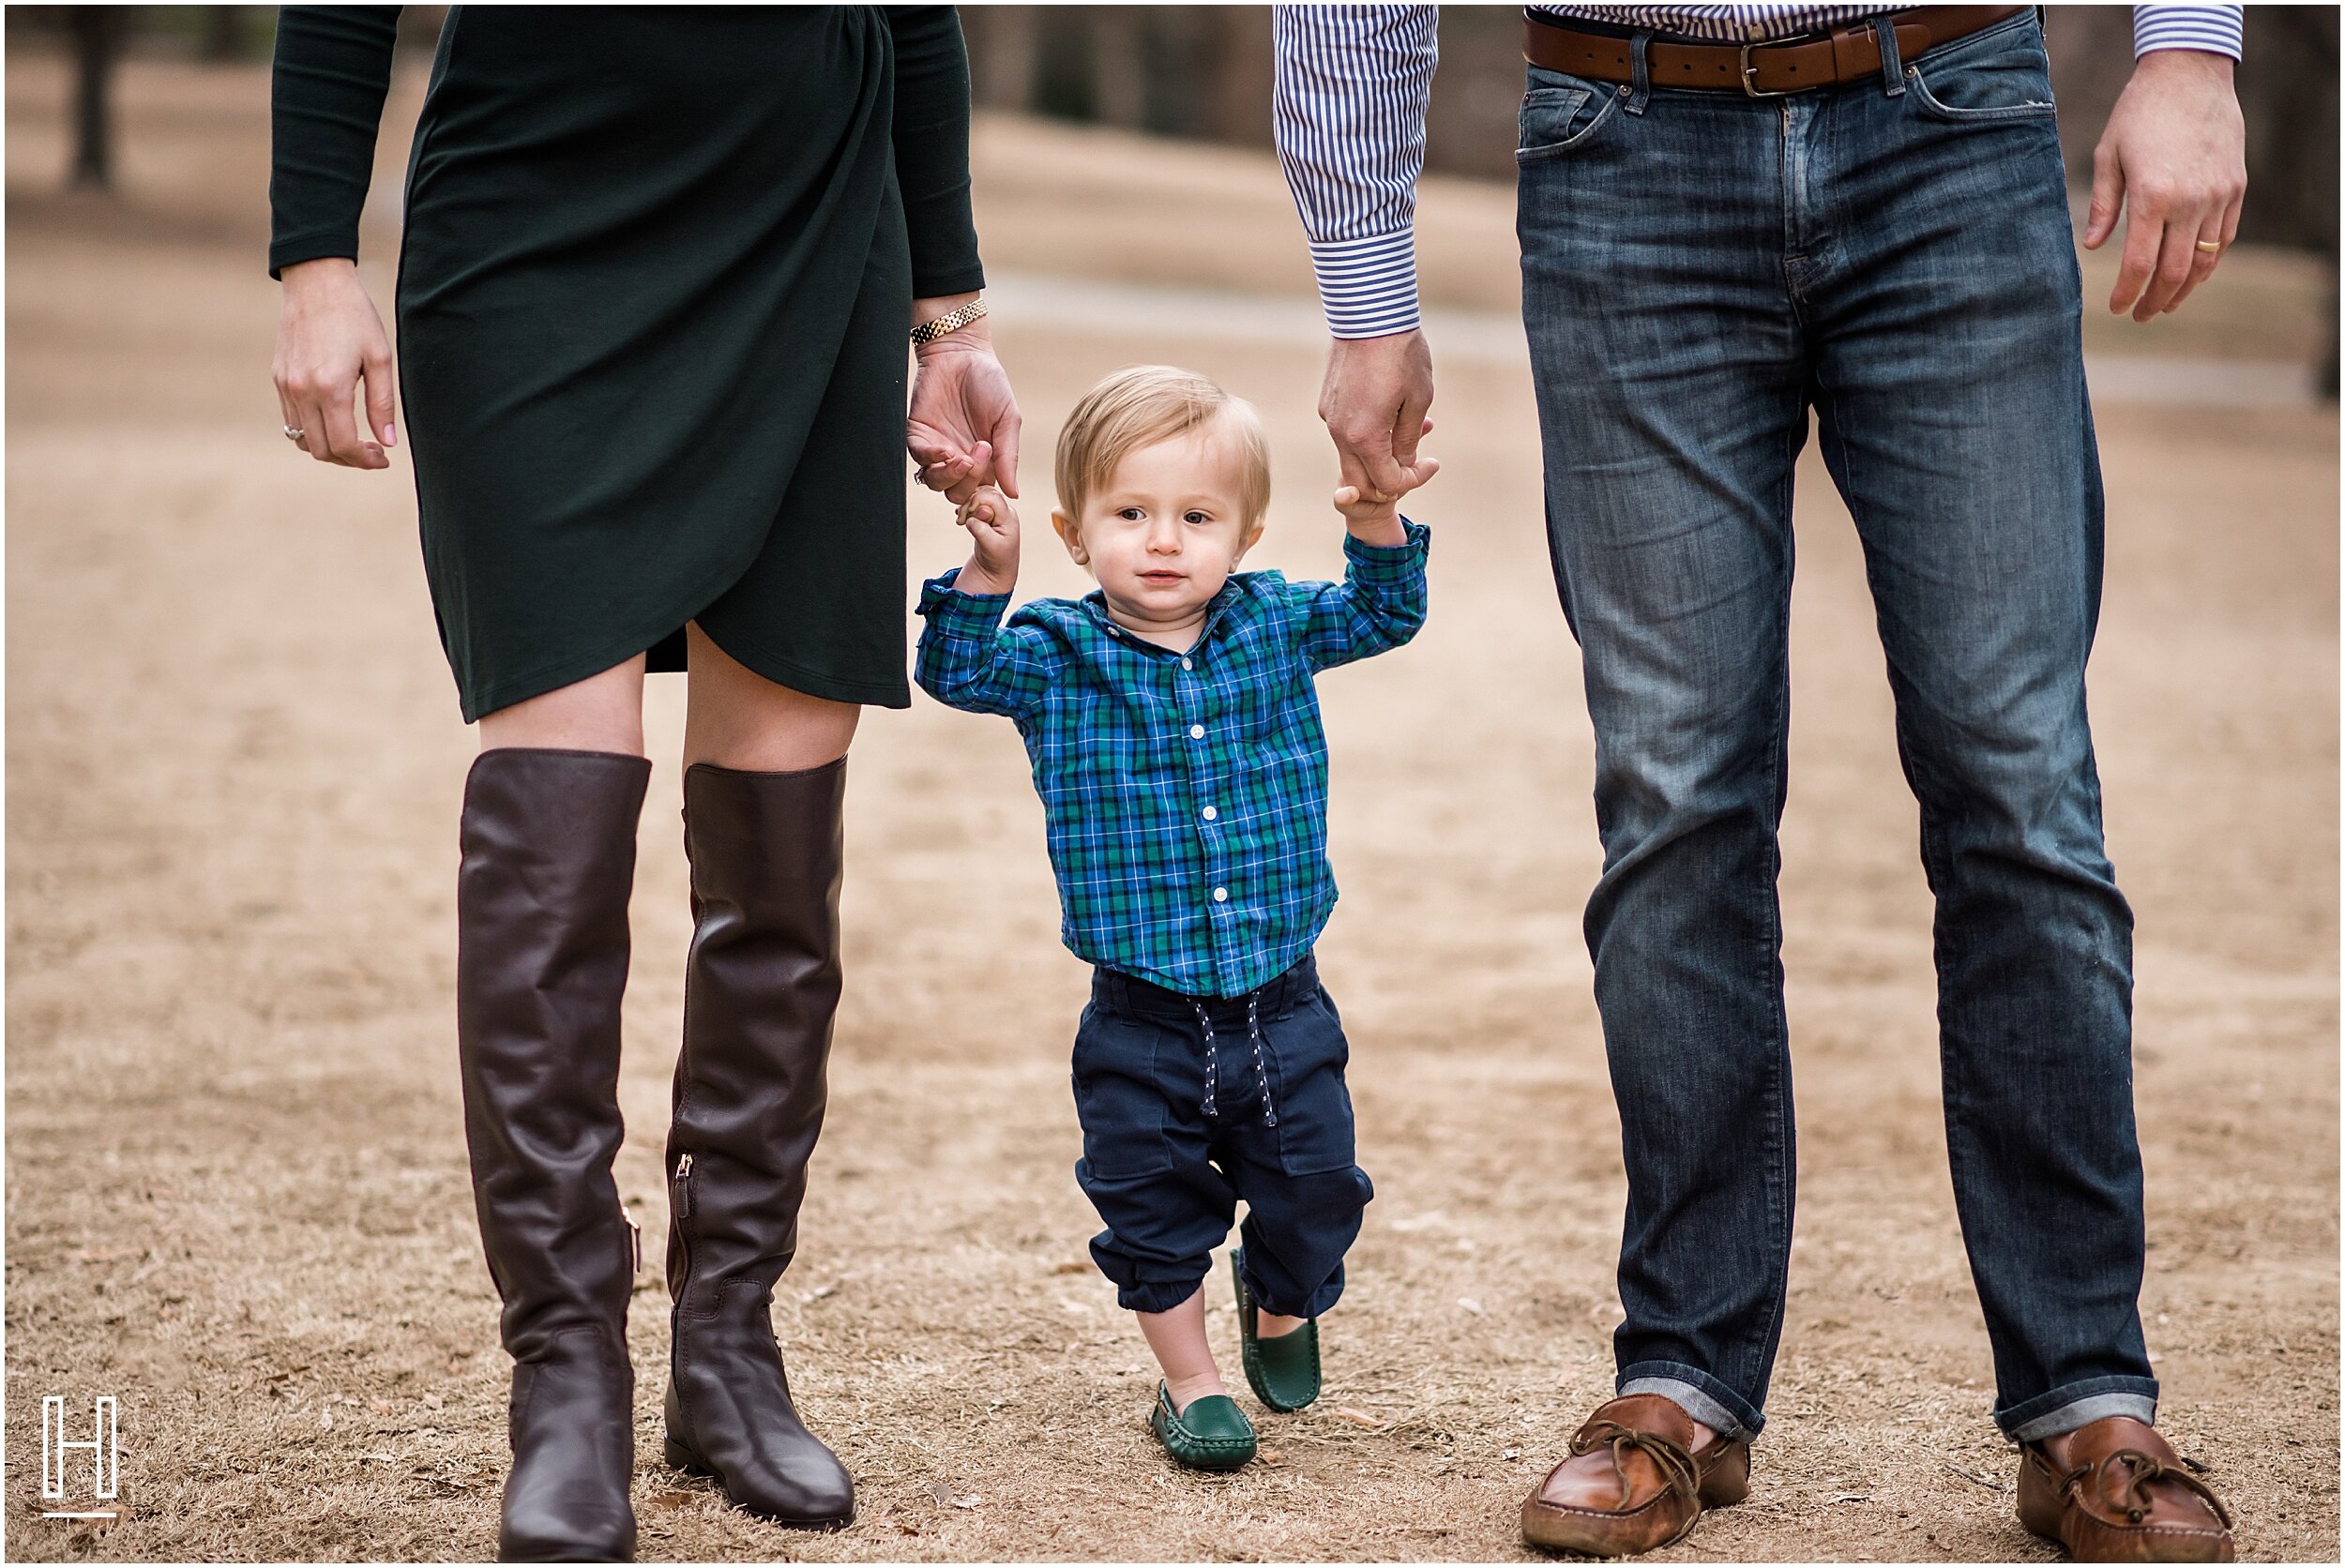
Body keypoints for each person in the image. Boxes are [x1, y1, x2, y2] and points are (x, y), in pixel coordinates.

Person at [1274, 3, 2247, 1560]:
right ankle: (1682, 1373)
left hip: (1950, 113)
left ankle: (2087, 1395)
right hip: (1619, 146)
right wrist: (1366, 288)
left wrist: (2191, 43)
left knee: (2019, 785)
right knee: (1673, 797)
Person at [267, 8, 1018, 1560]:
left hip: (815, 224)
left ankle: (728, 1346)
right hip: (536, 226)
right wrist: (314, 254)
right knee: (558, 800)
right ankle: (566, 1376)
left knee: (784, 802)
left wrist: (951, 321)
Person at [912, 366, 1436, 1470]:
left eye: (1196, 518)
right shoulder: (1056, 654)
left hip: (1280, 998)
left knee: (1317, 1188)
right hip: (1138, 1016)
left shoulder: (1278, 625)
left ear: (1242, 533)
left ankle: (1283, 1297)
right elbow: (953, 669)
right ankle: (1191, 1385)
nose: (1163, 542)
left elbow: (1388, 611)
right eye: (1130, 514)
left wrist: (1376, 515)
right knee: (1148, 1208)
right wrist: (986, 569)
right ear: (1073, 530)